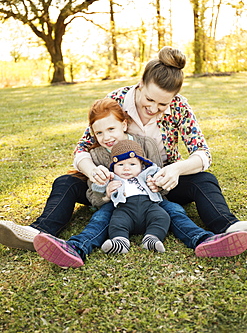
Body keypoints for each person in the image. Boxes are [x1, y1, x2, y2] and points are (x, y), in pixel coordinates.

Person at [1, 46, 247, 256]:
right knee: (65, 182)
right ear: (140, 84)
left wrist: (175, 169)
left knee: (205, 180)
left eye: (163, 104)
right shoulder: (115, 101)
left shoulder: (180, 108)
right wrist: (93, 170)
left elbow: (203, 153)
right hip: (112, 183)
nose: (153, 108)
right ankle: (38, 232)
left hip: (161, 183)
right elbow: (82, 148)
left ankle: (229, 228)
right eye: (149, 100)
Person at [31, 99, 247, 268]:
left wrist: (159, 184)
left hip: (152, 202)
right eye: (99, 133)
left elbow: (157, 172)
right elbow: (93, 195)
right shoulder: (96, 156)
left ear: (124, 124)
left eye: (111, 129)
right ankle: (75, 249)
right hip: (117, 206)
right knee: (100, 220)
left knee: (175, 212)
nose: (106, 137)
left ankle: (204, 241)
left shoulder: (145, 144)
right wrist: (105, 194)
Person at [93, 140, 170, 254]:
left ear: (141, 165)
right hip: (125, 209)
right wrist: (105, 185)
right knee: (116, 222)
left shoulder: (147, 173)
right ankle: (120, 241)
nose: (126, 168)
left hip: (149, 207)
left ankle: (152, 238)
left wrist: (156, 181)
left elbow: (160, 174)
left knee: (162, 217)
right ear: (113, 167)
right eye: (120, 164)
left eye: (132, 164)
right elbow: (97, 187)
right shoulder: (113, 177)